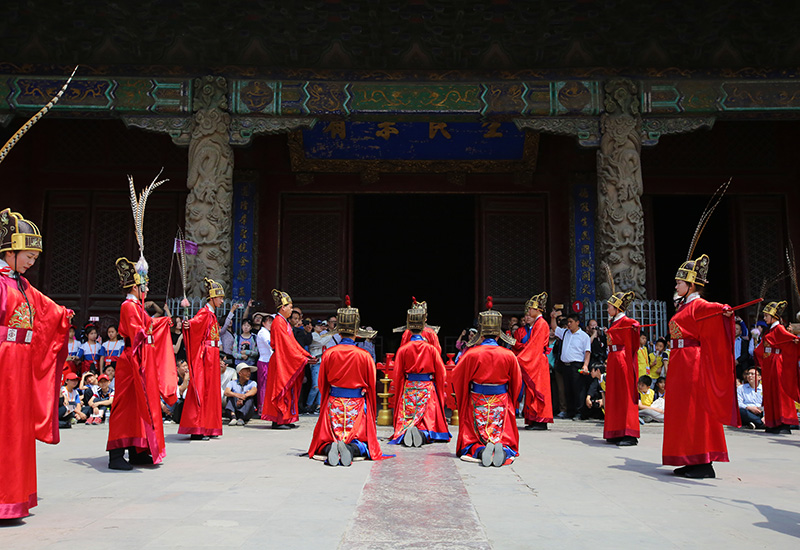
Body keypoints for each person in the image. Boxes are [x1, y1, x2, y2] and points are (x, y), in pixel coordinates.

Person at [0, 208, 73, 518]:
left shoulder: (22, 285)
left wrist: (63, 315)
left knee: (17, 428)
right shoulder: (3, 284)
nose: (32, 261)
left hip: (21, 363)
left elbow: (46, 310)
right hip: (4, 360)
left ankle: (15, 497)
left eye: (34, 257)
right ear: (10, 250)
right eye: (28, 255)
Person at [664, 254, 739, 479]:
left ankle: (703, 461)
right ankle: (689, 458)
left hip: (691, 363)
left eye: (679, 282)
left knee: (694, 411)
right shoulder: (684, 305)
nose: (676, 285)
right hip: (680, 362)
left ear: (691, 285)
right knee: (682, 412)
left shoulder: (698, 305)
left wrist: (725, 309)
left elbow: (715, 308)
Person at [106, 256, 177, 470]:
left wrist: (163, 322)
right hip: (131, 360)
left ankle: (137, 450)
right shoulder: (128, 306)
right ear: (135, 286)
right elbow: (139, 331)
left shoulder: (136, 306)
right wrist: (153, 328)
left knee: (139, 406)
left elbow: (147, 325)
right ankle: (116, 454)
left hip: (139, 357)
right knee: (125, 406)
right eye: (143, 285)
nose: (146, 289)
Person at [308, 298, 385, 466]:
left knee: (327, 439)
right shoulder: (364, 355)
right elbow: (371, 383)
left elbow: (322, 382)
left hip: (334, 403)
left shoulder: (329, 353)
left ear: (339, 331)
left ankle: (332, 449)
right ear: (356, 331)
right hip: (356, 404)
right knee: (360, 439)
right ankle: (350, 449)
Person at [451, 298, 522, 467]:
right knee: (501, 432)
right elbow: (517, 382)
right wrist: (511, 399)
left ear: (481, 333)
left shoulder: (471, 354)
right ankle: (502, 450)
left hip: (477, 399)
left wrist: (464, 395)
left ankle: (481, 451)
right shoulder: (508, 355)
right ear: (499, 334)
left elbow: (457, 376)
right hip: (501, 399)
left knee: (475, 436)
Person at [388, 306, 450, 447]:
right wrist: (439, 385)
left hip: (409, 386)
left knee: (408, 415)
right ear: (424, 326)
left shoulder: (403, 350)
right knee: (427, 419)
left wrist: (399, 386)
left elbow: (398, 373)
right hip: (427, 387)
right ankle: (421, 435)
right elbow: (441, 372)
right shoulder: (431, 349)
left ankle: (407, 432)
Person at [179, 278, 225, 441]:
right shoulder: (205, 313)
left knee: (210, 391)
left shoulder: (211, 314)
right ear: (212, 297)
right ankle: (198, 428)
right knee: (202, 389)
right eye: (219, 297)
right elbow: (194, 323)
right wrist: (188, 325)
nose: (221, 300)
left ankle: (208, 426)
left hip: (212, 354)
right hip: (206, 355)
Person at [262, 289, 312, 429]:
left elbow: (293, 344)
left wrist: (306, 355)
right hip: (280, 359)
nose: (291, 310)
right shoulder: (278, 322)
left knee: (287, 390)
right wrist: (302, 358)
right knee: (281, 389)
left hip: (283, 358)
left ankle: (286, 419)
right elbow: (286, 345)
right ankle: (278, 420)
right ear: (283, 307)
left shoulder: (284, 322)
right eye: (290, 307)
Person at [754, 301, 799, 434]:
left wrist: (795, 340)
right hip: (769, 364)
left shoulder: (779, 329)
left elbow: (792, 340)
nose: (764, 318)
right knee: (770, 393)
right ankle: (772, 422)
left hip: (777, 363)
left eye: (766, 315)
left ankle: (783, 423)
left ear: (774, 316)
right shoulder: (771, 330)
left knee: (780, 392)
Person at [603, 289, 641, 445]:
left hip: (621, 359)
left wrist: (635, 327)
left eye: (610, 306)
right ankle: (616, 431)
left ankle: (629, 433)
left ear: (617, 308)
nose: (607, 309)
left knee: (624, 394)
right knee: (614, 395)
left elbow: (635, 324)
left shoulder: (625, 321)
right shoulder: (615, 321)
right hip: (613, 359)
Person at [514, 292, 552, 430]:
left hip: (537, 360)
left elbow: (535, 345)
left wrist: (520, 358)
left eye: (531, 309)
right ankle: (533, 419)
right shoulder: (537, 323)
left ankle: (540, 420)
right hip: (535, 358)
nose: (528, 312)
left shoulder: (541, 324)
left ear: (538, 310)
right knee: (532, 391)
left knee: (538, 390)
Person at [549, 310, 591, 419]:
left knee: (578, 389)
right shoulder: (565, 333)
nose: (569, 324)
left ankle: (579, 412)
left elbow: (587, 352)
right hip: (565, 365)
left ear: (577, 323)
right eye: (568, 322)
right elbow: (554, 328)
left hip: (577, 364)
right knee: (568, 389)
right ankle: (570, 411)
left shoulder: (583, 336)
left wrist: (585, 365)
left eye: (571, 322)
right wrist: (553, 318)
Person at [255, 313, 273, 413]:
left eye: (272, 322)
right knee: (263, 386)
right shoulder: (263, 332)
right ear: (263, 323)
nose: (271, 324)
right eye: (269, 322)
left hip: (268, 361)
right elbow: (271, 344)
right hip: (264, 361)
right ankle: (262, 408)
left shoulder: (268, 332)